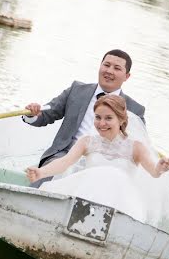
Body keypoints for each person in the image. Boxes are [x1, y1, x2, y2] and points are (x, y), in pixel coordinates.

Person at [25, 95, 169, 224]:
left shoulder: (136, 147)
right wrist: (41, 172)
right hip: (86, 195)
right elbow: (65, 162)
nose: (101, 124)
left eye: (108, 118)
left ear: (121, 120)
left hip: (120, 204)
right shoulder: (87, 141)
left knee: (114, 175)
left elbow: (154, 172)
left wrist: (160, 167)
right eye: (98, 117)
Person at [23, 50, 145, 187]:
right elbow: (47, 114)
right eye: (106, 65)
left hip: (105, 162)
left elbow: (135, 147)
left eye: (117, 68)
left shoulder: (135, 109)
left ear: (126, 76)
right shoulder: (77, 90)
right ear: (100, 66)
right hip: (65, 154)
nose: (109, 71)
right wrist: (33, 114)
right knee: (54, 170)